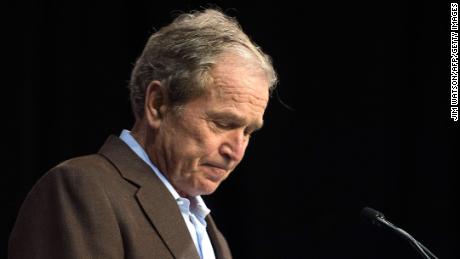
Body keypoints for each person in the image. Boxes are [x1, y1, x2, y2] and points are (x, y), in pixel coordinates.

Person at [9, 8, 277, 259]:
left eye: (248, 132)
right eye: (222, 123)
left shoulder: (210, 231)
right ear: (158, 104)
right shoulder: (82, 190)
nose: (236, 151)